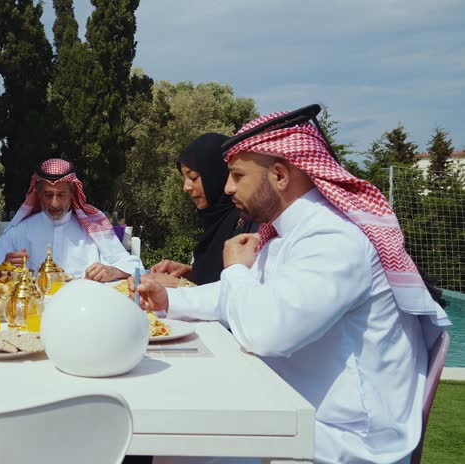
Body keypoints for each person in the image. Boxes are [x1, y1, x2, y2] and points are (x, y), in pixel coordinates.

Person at [134, 105, 450, 464]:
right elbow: (238, 295)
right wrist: (169, 301)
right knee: (181, 423)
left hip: (346, 437)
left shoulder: (333, 238)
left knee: (181, 437)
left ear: (281, 176)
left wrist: (236, 270)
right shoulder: (290, 233)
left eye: (238, 176)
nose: (227, 187)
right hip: (298, 408)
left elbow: (267, 331)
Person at [0, 158, 143, 282]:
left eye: (61, 194)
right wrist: (3, 267)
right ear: (38, 193)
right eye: (48, 194)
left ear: (72, 193)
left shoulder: (92, 229)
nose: (54, 203)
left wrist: (112, 271)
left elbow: (135, 266)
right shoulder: (21, 230)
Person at [150, 133, 258, 287]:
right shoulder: (216, 221)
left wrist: (182, 287)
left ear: (216, 175)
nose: (186, 187)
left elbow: (241, 293)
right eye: (184, 178)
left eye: (193, 177)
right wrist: (191, 273)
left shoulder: (248, 222)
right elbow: (215, 276)